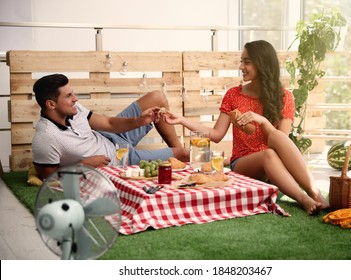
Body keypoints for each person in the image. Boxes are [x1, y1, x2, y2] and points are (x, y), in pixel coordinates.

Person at [162, 40, 329, 215]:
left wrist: (263, 121)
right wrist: (181, 120)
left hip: (274, 168)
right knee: (268, 154)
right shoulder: (234, 95)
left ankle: (313, 192)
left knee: (275, 142)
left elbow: (282, 142)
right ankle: (304, 199)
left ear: (262, 64)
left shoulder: (285, 97)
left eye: (247, 62)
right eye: (241, 61)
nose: (241, 66)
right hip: (243, 163)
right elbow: (216, 134)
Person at [32, 73, 189, 180]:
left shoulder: (75, 109)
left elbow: (109, 123)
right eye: (68, 96)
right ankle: (180, 157)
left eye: (72, 93)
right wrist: (82, 166)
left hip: (110, 137)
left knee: (157, 97)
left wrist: (139, 121)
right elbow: (47, 177)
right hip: (119, 159)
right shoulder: (46, 137)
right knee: (184, 153)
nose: (75, 99)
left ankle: (179, 161)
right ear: (51, 104)